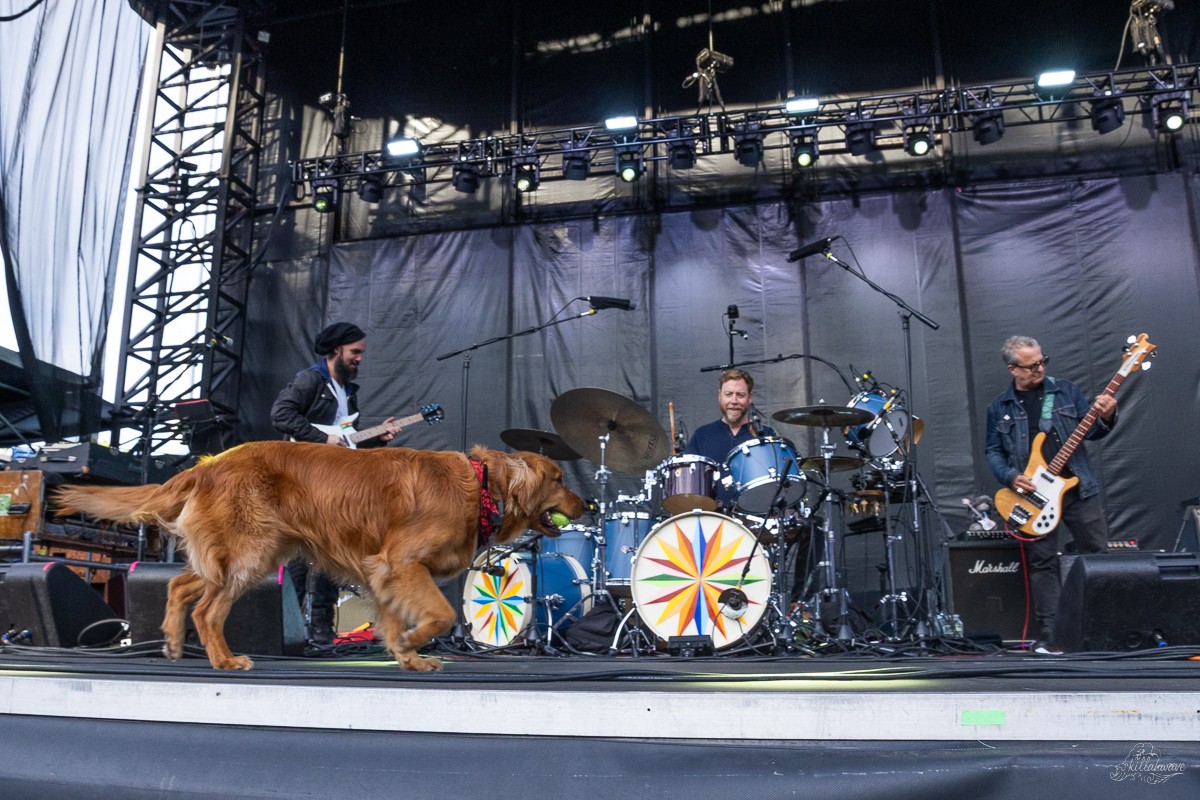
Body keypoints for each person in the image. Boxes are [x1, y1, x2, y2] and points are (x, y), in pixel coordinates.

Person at [985, 335, 1117, 654]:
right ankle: (1052, 631)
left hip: (1077, 488)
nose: (1040, 369)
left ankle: (1103, 625)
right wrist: (1011, 477)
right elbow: (992, 450)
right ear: (1013, 368)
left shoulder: (1066, 391)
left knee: (1096, 554)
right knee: (1043, 562)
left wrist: (1106, 414)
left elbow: (1095, 431)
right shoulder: (999, 407)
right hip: (1035, 496)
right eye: (1031, 366)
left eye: (1043, 361)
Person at [271, 321, 398, 644]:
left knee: (330, 553)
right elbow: (281, 414)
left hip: (331, 485)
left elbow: (347, 442)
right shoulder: (311, 379)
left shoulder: (347, 393)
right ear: (336, 350)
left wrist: (378, 438)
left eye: (361, 353)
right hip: (303, 481)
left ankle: (321, 632)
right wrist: (320, 437)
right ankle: (289, 630)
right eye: (355, 352)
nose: (359, 359)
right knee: (300, 554)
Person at [686, 368, 777, 510]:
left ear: (750, 397)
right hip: (711, 521)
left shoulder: (765, 435)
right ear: (720, 396)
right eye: (728, 394)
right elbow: (689, 485)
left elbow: (775, 486)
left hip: (755, 522)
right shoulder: (702, 435)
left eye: (740, 395)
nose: (734, 401)